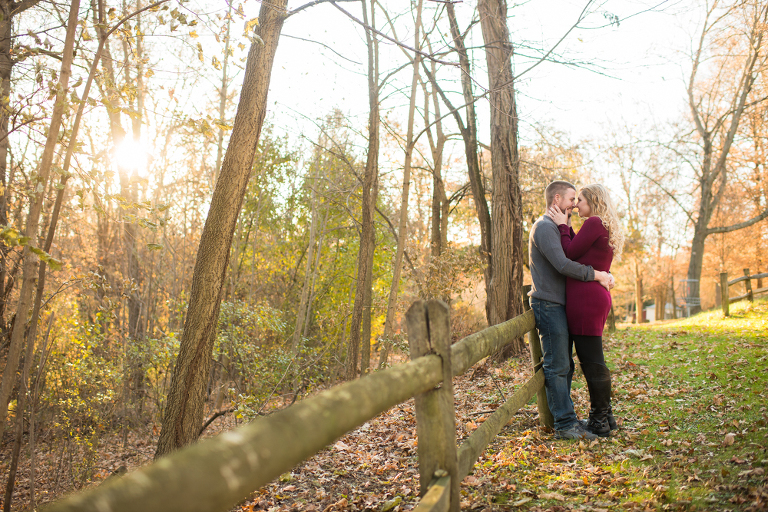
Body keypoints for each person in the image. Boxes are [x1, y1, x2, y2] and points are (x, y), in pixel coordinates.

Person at [529, 181, 614, 440]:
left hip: (562, 304)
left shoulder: (558, 227)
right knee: (558, 365)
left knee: (566, 365)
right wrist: (597, 274)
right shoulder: (545, 227)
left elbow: (574, 253)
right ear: (557, 200)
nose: (574, 204)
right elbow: (564, 264)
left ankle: (575, 420)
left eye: (578, 200)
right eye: (571, 199)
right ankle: (566, 424)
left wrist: (601, 274)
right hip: (549, 303)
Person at [547, 183, 625, 437]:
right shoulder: (603, 224)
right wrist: (568, 227)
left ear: (592, 201)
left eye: (579, 200)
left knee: (592, 362)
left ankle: (599, 419)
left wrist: (562, 225)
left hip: (585, 300)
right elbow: (583, 253)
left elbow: (569, 252)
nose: (575, 205)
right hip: (594, 297)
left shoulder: (593, 223)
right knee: (594, 360)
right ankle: (607, 416)